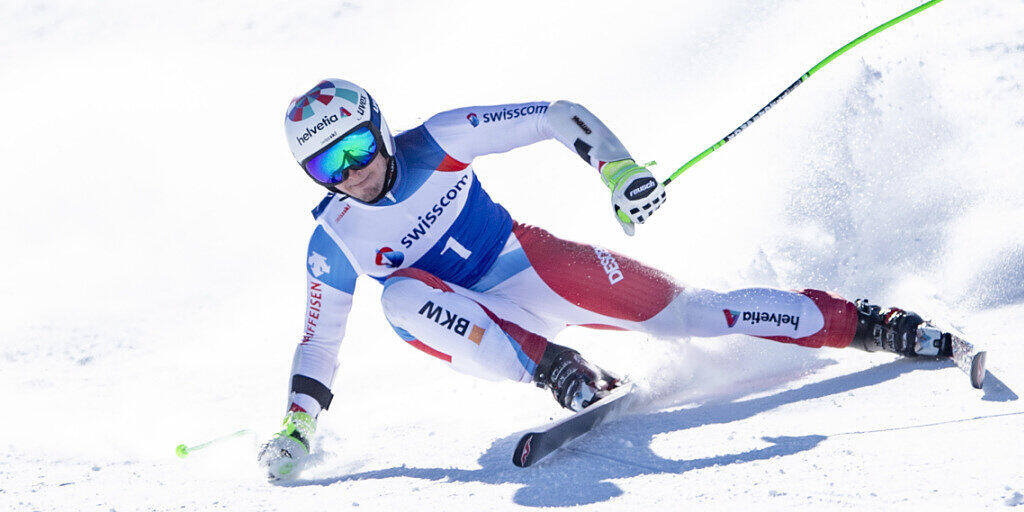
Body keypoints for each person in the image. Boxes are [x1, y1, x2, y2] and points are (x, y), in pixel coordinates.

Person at [257, 78, 950, 480]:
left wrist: (618, 172)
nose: (351, 173)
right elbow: (320, 344)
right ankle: (562, 371)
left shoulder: (438, 139)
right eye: (326, 168)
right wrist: (297, 426)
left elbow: (556, 116)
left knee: (701, 313)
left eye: (353, 148)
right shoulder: (335, 239)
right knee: (400, 298)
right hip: (476, 326)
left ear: (376, 128)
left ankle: (868, 324)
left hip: (533, 264)